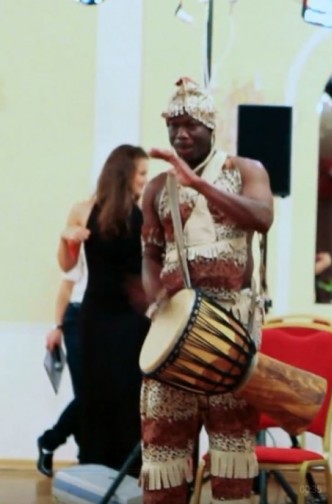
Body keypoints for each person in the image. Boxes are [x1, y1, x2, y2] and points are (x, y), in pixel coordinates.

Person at [140, 77, 274, 504]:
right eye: (173, 126)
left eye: (190, 125)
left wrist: (198, 184)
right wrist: (156, 301)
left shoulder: (245, 170)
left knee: (231, 460)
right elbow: (150, 255)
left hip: (230, 334)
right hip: (173, 337)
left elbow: (262, 218)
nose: (180, 134)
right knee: (162, 455)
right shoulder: (156, 189)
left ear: (211, 126)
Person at [57, 144, 151, 476]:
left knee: (129, 397)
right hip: (95, 316)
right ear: (124, 173)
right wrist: (68, 239)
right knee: (95, 395)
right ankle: (95, 472)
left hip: (130, 319)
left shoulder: (142, 214)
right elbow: (66, 266)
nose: (145, 179)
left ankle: (129, 474)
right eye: (142, 173)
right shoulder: (83, 210)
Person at [37, 248, 87, 476]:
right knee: (87, 394)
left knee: (105, 393)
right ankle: (80, 456)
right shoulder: (83, 240)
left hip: (111, 321)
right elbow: (67, 286)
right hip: (78, 317)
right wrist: (57, 327)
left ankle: (51, 442)